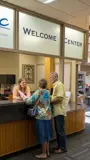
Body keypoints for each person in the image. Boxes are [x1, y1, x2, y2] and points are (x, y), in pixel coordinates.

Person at [20, 79, 53, 159]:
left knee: (42, 135)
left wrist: (23, 96)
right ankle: (47, 151)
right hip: (48, 115)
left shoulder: (38, 92)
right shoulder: (48, 92)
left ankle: (43, 153)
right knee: (47, 134)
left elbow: (28, 101)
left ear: (39, 84)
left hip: (41, 117)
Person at [50, 72, 67, 154]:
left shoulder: (58, 85)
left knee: (60, 130)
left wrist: (50, 100)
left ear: (55, 77)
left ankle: (63, 148)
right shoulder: (56, 85)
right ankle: (59, 146)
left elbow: (59, 98)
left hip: (59, 111)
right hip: (57, 112)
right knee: (58, 130)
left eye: (51, 77)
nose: (50, 79)